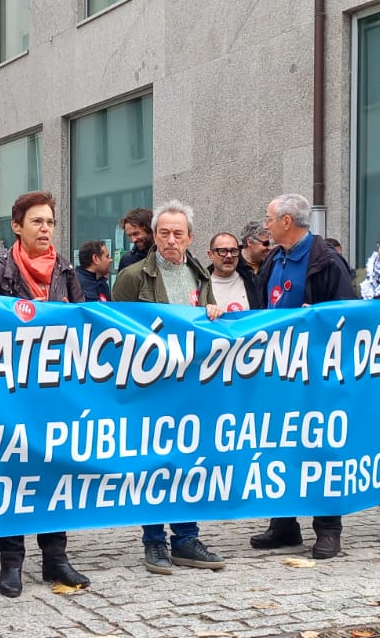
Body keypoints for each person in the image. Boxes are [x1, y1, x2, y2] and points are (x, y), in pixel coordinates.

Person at [0, 191, 92, 597]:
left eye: (50, 222)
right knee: (13, 475)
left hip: (56, 390)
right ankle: (11, 562)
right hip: (13, 391)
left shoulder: (65, 270)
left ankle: (55, 558)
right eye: (37, 222)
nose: (45, 229)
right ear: (17, 227)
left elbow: (82, 322)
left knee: (55, 472)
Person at [111, 201, 228, 574]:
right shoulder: (132, 277)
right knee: (152, 464)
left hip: (191, 388)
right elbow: (115, 333)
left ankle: (186, 538)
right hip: (150, 388)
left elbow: (208, 327)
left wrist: (213, 313)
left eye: (178, 233)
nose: (171, 240)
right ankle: (154, 541)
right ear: (154, 236)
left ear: (190, 237)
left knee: (188, 462)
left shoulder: (200, 276)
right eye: (164, 233)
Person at [250, 194, 356, 559]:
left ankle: (328, 529)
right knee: (279, 445)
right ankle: (284, 524)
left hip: (316, 375)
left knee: (320, 449)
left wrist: (321, 317)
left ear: (286, 222)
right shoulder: (274, 259)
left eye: (269, 218)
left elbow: (348, 315)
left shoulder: (326, 261)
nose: (265, 225)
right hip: (278, 372)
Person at [206, 232, 260, 311]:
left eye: (233, 251)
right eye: (222, 251)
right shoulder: (201, 285)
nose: (229, 256)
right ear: (211, 255)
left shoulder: (253, 281)